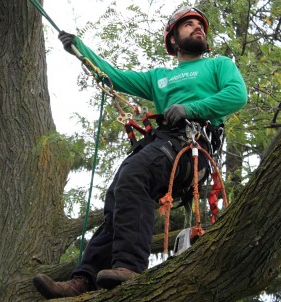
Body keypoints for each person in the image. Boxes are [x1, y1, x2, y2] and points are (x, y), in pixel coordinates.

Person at [33, 6, 247, 299]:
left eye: (200, 24)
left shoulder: (219, 65)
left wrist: (190, 108)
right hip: (161, 141)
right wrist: (80, 49)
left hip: (191, 143)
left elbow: (237, 94)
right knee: (118, 197)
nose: (198, 27)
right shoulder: (158, 77)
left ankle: (130, 267)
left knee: (135, 175)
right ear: (173, 40)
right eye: (188, 24)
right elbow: (113, 76)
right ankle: (84, 278)